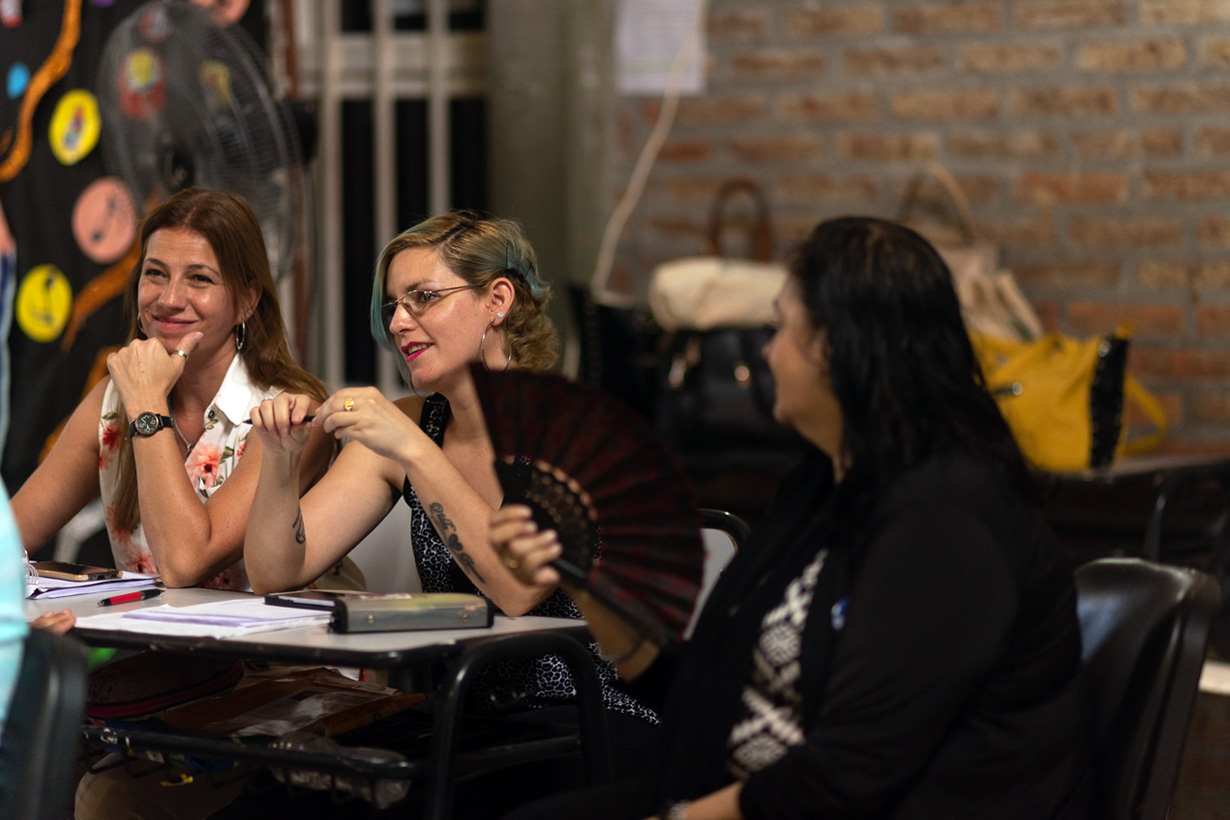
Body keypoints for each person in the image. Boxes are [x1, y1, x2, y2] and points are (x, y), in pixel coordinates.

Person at [492, 216, 1096, 820]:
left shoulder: (945, 521)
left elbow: (849, 776)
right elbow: (698, 694)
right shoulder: (822, 484)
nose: (765, 350)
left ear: (833, 347)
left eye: (780, 328)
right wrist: (577, 572)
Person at [244, 212, 658, 814]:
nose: (398, 322)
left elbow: (518, 588)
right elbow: (276, 571)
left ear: (498, 299)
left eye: (424, 298)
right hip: (465, 720)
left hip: (586, 717)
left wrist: (412, 449)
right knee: (276, 796)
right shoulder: (416, 424)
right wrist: (280, 462)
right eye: (392, 305)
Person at [10, 187, 341, 592]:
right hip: (156, 652)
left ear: (247, 301)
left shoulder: (289, 414)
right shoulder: (114, 400)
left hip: (281, 653)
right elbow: (12, 535)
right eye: (155, 274)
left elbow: (185, 564)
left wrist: (148, 404)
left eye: (199, 278)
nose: (168, 299)